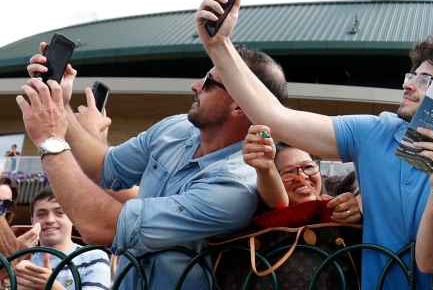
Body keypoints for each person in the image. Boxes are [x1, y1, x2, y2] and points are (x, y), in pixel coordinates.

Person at [195, 0, 433, 290]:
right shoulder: (375, 131)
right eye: (411, 74)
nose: (407, 83)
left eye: (424, 79)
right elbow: (277, 117)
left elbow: (430, 261)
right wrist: (221, 47)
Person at [18, 42, 288, 290]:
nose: (195, 85)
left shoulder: (235, 185)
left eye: (209, 82)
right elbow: (105, 167)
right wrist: (61, 105)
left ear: (239, 106)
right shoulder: (178, 127)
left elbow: (99, 227)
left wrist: (50, 140)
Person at [242, 133, 361, 223]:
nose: (302, 176)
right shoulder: (258, 215)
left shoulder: (344, 190)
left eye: (308, 166)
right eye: (288, 172)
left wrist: (358, 208)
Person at [13, 188, 111, 290]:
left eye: (59, 212)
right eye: (41, 214)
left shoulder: (93, 257)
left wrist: (53, 287)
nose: (50, 220)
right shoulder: (20, 262)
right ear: (33, 222)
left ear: (73, 217)